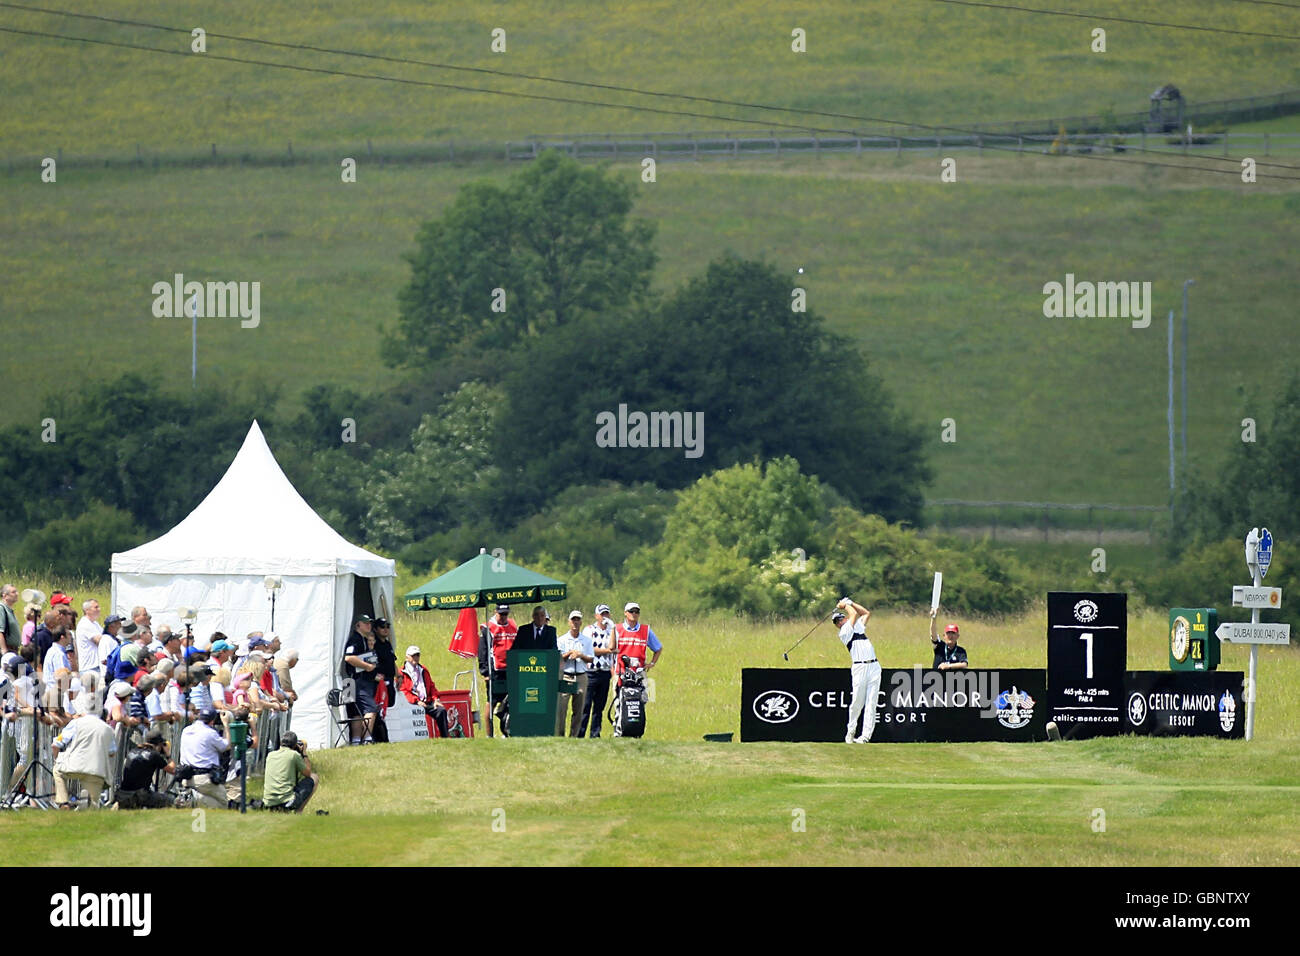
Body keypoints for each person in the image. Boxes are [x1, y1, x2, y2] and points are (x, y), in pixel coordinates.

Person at [50, 697, 117, 809]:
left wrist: (57, 760)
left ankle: (63, 802)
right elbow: (112, 752)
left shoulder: (75, 723)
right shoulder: (108, 729)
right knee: (93, 805)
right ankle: (89, 803)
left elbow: (56, 744)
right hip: (96, 770)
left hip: (73, 766)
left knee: (57, 771)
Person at [834, 598, 881, 743]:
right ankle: (851, 732)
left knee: (871, 702)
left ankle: (865, 736)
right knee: (857, 702)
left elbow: (866, 613)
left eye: (841, 618)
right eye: (837, 622)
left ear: (844, 618)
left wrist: (851, 602)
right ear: (837, 626)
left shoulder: (858, 626)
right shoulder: (844, 632)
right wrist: (845, 605)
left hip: (874, 666)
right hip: (859, 667)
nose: (840, 622)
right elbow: (854, 614)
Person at [341, 614, 381, 745]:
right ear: (358, 625)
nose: (369, 625)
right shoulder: (355, 639)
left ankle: (356, 740)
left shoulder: (363, 639)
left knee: (356, 712)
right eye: (366, 623)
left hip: (353, 681)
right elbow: (349, 658)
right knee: (371, 709)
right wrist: (367, 666)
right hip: (357, 680)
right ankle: (367, 738)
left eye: (370, 623)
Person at [115, 727, 176, 809]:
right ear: (159, 744)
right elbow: (173, 770)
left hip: (123, 794)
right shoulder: (154, 755)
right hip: (140, 795)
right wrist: (168, 755)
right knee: (171, 800)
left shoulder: (132, 751)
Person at [179, 710, 230, 808]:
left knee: (210, 801)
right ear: (211, 721)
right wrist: (226, 725)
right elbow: (226, 746)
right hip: (204, 779)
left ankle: (191, 797)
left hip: (186, 777)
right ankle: (193, 798)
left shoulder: (186, 730)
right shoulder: (210, 733)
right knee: (223, 803)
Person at [579, 604, 616, 738]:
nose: (604, 617)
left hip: (605, 672)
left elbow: (612, 646)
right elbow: (589, 650)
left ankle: (595, 734)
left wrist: (612, 628)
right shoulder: (589, 630)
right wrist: (607, 651)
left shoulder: (611, 631)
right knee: (586, 705)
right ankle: (580, 733)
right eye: (602, 614)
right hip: (591, 671)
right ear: (596, 616)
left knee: (599, 707)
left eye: (606, 614)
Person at [399, 646, 450, 738]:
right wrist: (416, 701)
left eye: (417, 655)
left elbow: (431, 686)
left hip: (427, 701)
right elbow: (403, 691)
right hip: (413, 703)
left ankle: (445, 737)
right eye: (413, 655)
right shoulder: (402, 672)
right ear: (407, 657)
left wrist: (435, 699)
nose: (416, 658)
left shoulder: (423, 669)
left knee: (441, 711)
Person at [261, 732, 317, 812]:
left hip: (269, 801)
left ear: (281, 742)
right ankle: (298, 811)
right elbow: (308, 773)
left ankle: (277, 808)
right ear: (294, 745)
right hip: (286, 801)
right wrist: (304, 753)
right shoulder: (293, 755)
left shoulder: (270, 755)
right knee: (314, 777)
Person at [556, 611, 592, 736]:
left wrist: (581, 655)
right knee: (561, 709)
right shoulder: (562, 639)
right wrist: (569, 653)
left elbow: (591, 658)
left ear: (581, 622)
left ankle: (574, 736)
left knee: (579, 709)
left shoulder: (586, 640)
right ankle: (560, 735)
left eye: (578, 620)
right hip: (566, 675)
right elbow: (558, 658)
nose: (575, 622)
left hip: (581, 676)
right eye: (573, 620)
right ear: (569, 622)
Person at [484, 605, 516, 737]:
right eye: (501, 614)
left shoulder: (513, 625)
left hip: (511, 671)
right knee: (491, 703)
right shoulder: (488, 627)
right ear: (495, 612)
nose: (503, 617)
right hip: (495, 672)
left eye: (505, 614)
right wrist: (485, 672)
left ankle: (506, 732)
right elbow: (483, 651)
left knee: (510, 704)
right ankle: (489, 735)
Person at [370, 619, 397, 743]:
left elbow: (393, 662)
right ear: (375, 629)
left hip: (390, 680)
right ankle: (380, 738)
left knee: (390, 705)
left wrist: (399, 676)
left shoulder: (387, 644)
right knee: (379, 709)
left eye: (387, 626)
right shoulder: (373, 645)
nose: (386, 629)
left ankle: (387, 735)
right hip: (380, 682)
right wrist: (376, 678)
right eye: (382, 627)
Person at [73, 600, 104, 676]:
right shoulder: (85, 624)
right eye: (96, 607)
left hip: (96, 666)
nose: (99, 609)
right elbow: (100, 641)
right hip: (90, 668)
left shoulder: (95, 623)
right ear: (87, 610)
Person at [0, 584, 21, 652]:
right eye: (13, 592)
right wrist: (4, 650)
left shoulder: (9, 610)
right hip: (7, 650)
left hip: (13, 650)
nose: (17, 594)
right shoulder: (1, 608)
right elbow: (0, 631)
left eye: (16, 591)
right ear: (4, 595)